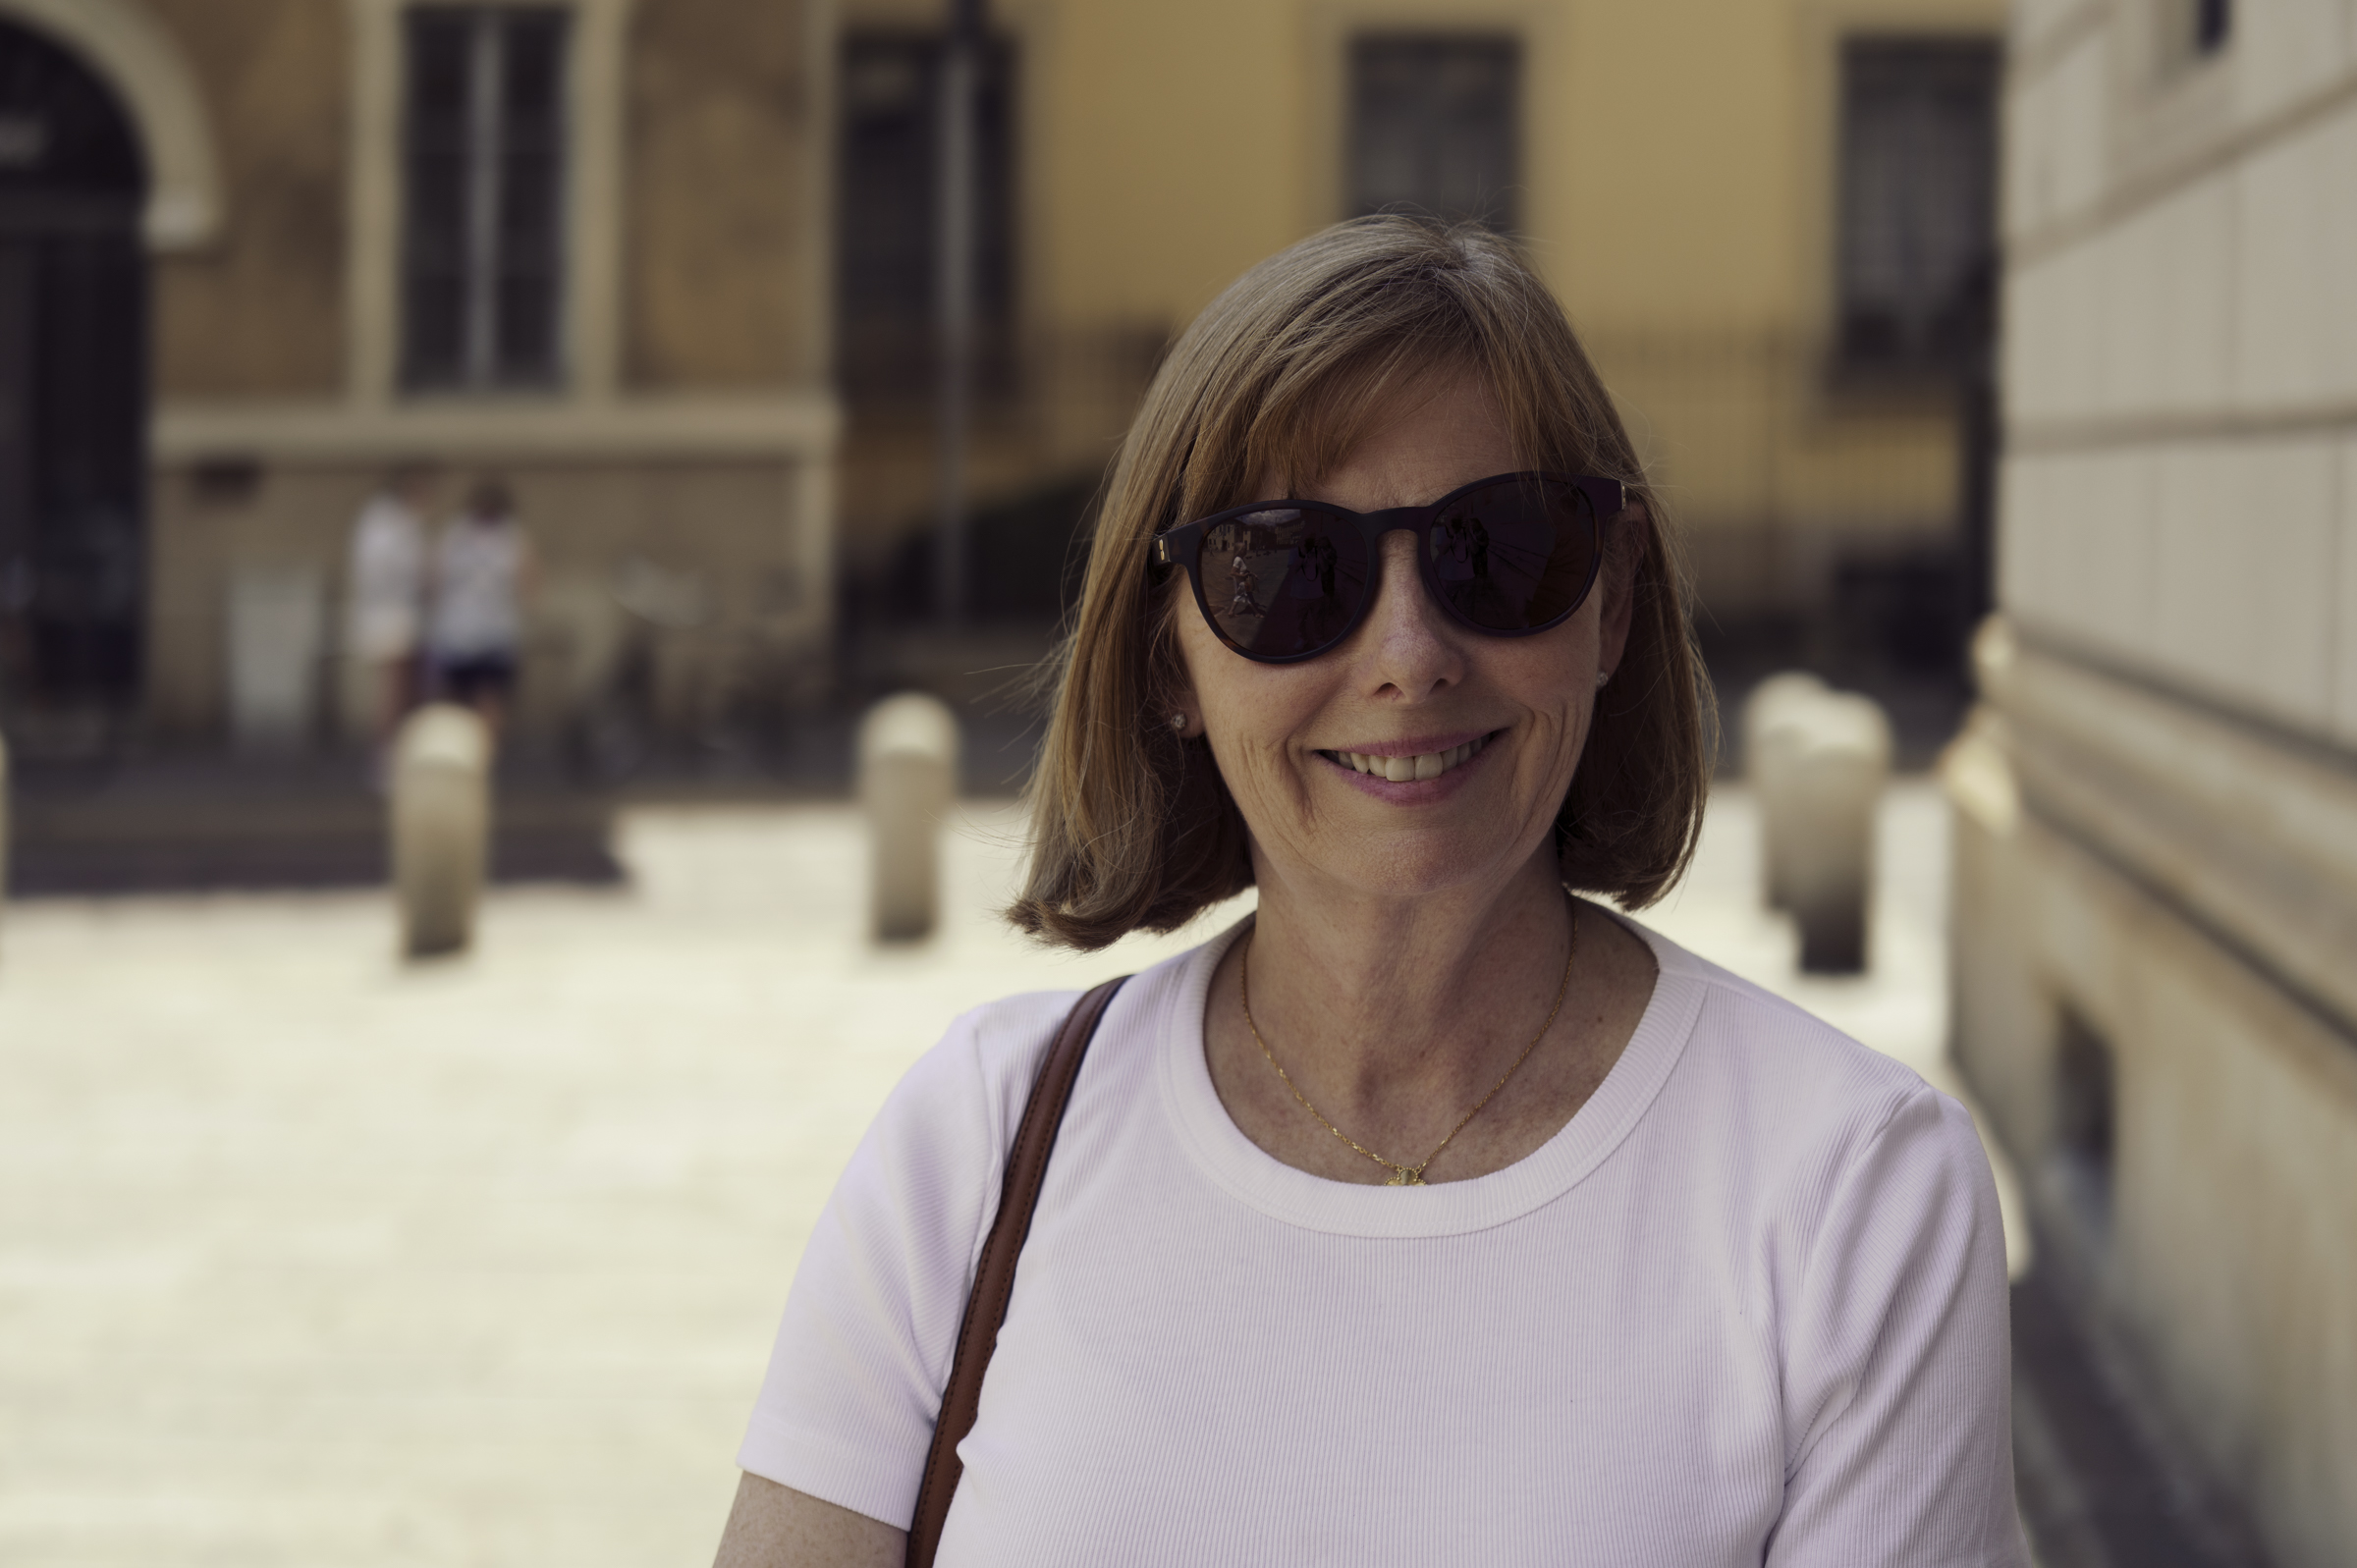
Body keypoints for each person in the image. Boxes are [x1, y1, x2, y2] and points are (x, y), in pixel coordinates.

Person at [716, 218, 2026, 1566]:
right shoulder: (979, 1141)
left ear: (1615, 602)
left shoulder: (1849, 1190)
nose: (1408, 655)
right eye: (1288, 569)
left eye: (1500, 550)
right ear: (1170, 659)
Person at [344, 464, 436, 778]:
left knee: (403, 690)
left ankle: (397, 753)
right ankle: (384, 759)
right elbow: (399, 570)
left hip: (396, 614)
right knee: (392, 689)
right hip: (389, 615)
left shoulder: (392, 521)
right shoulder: (387, 522)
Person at [425, 477, 535, 736]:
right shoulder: (467, 534)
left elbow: (432, 580)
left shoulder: (467, 534)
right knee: (474, 701)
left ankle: (473, 755)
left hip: (479, 632)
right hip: (472, 632)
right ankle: (473, 753)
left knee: (477, 700)